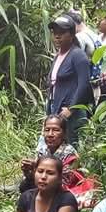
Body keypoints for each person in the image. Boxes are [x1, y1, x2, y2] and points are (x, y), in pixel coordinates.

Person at [46, 15, 91, 147]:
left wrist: (71, 109)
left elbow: (84, 85)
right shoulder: (58, 56)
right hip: (56, 107)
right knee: (56, 146)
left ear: (71, 35)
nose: (57, 37)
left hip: (71, 112)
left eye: (62, 33)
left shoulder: (77, 55)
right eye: (55, 34)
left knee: (72, 147)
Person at [20, 115, 79, 193]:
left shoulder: (70, 154)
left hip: (61, 191)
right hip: (44, 185)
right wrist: (29, 172)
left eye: (56, 130)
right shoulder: (43, 150)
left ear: (64, 134)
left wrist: (39, 168)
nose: (50, 134)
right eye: (47, 130)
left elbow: (65, 183)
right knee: (24, 186)